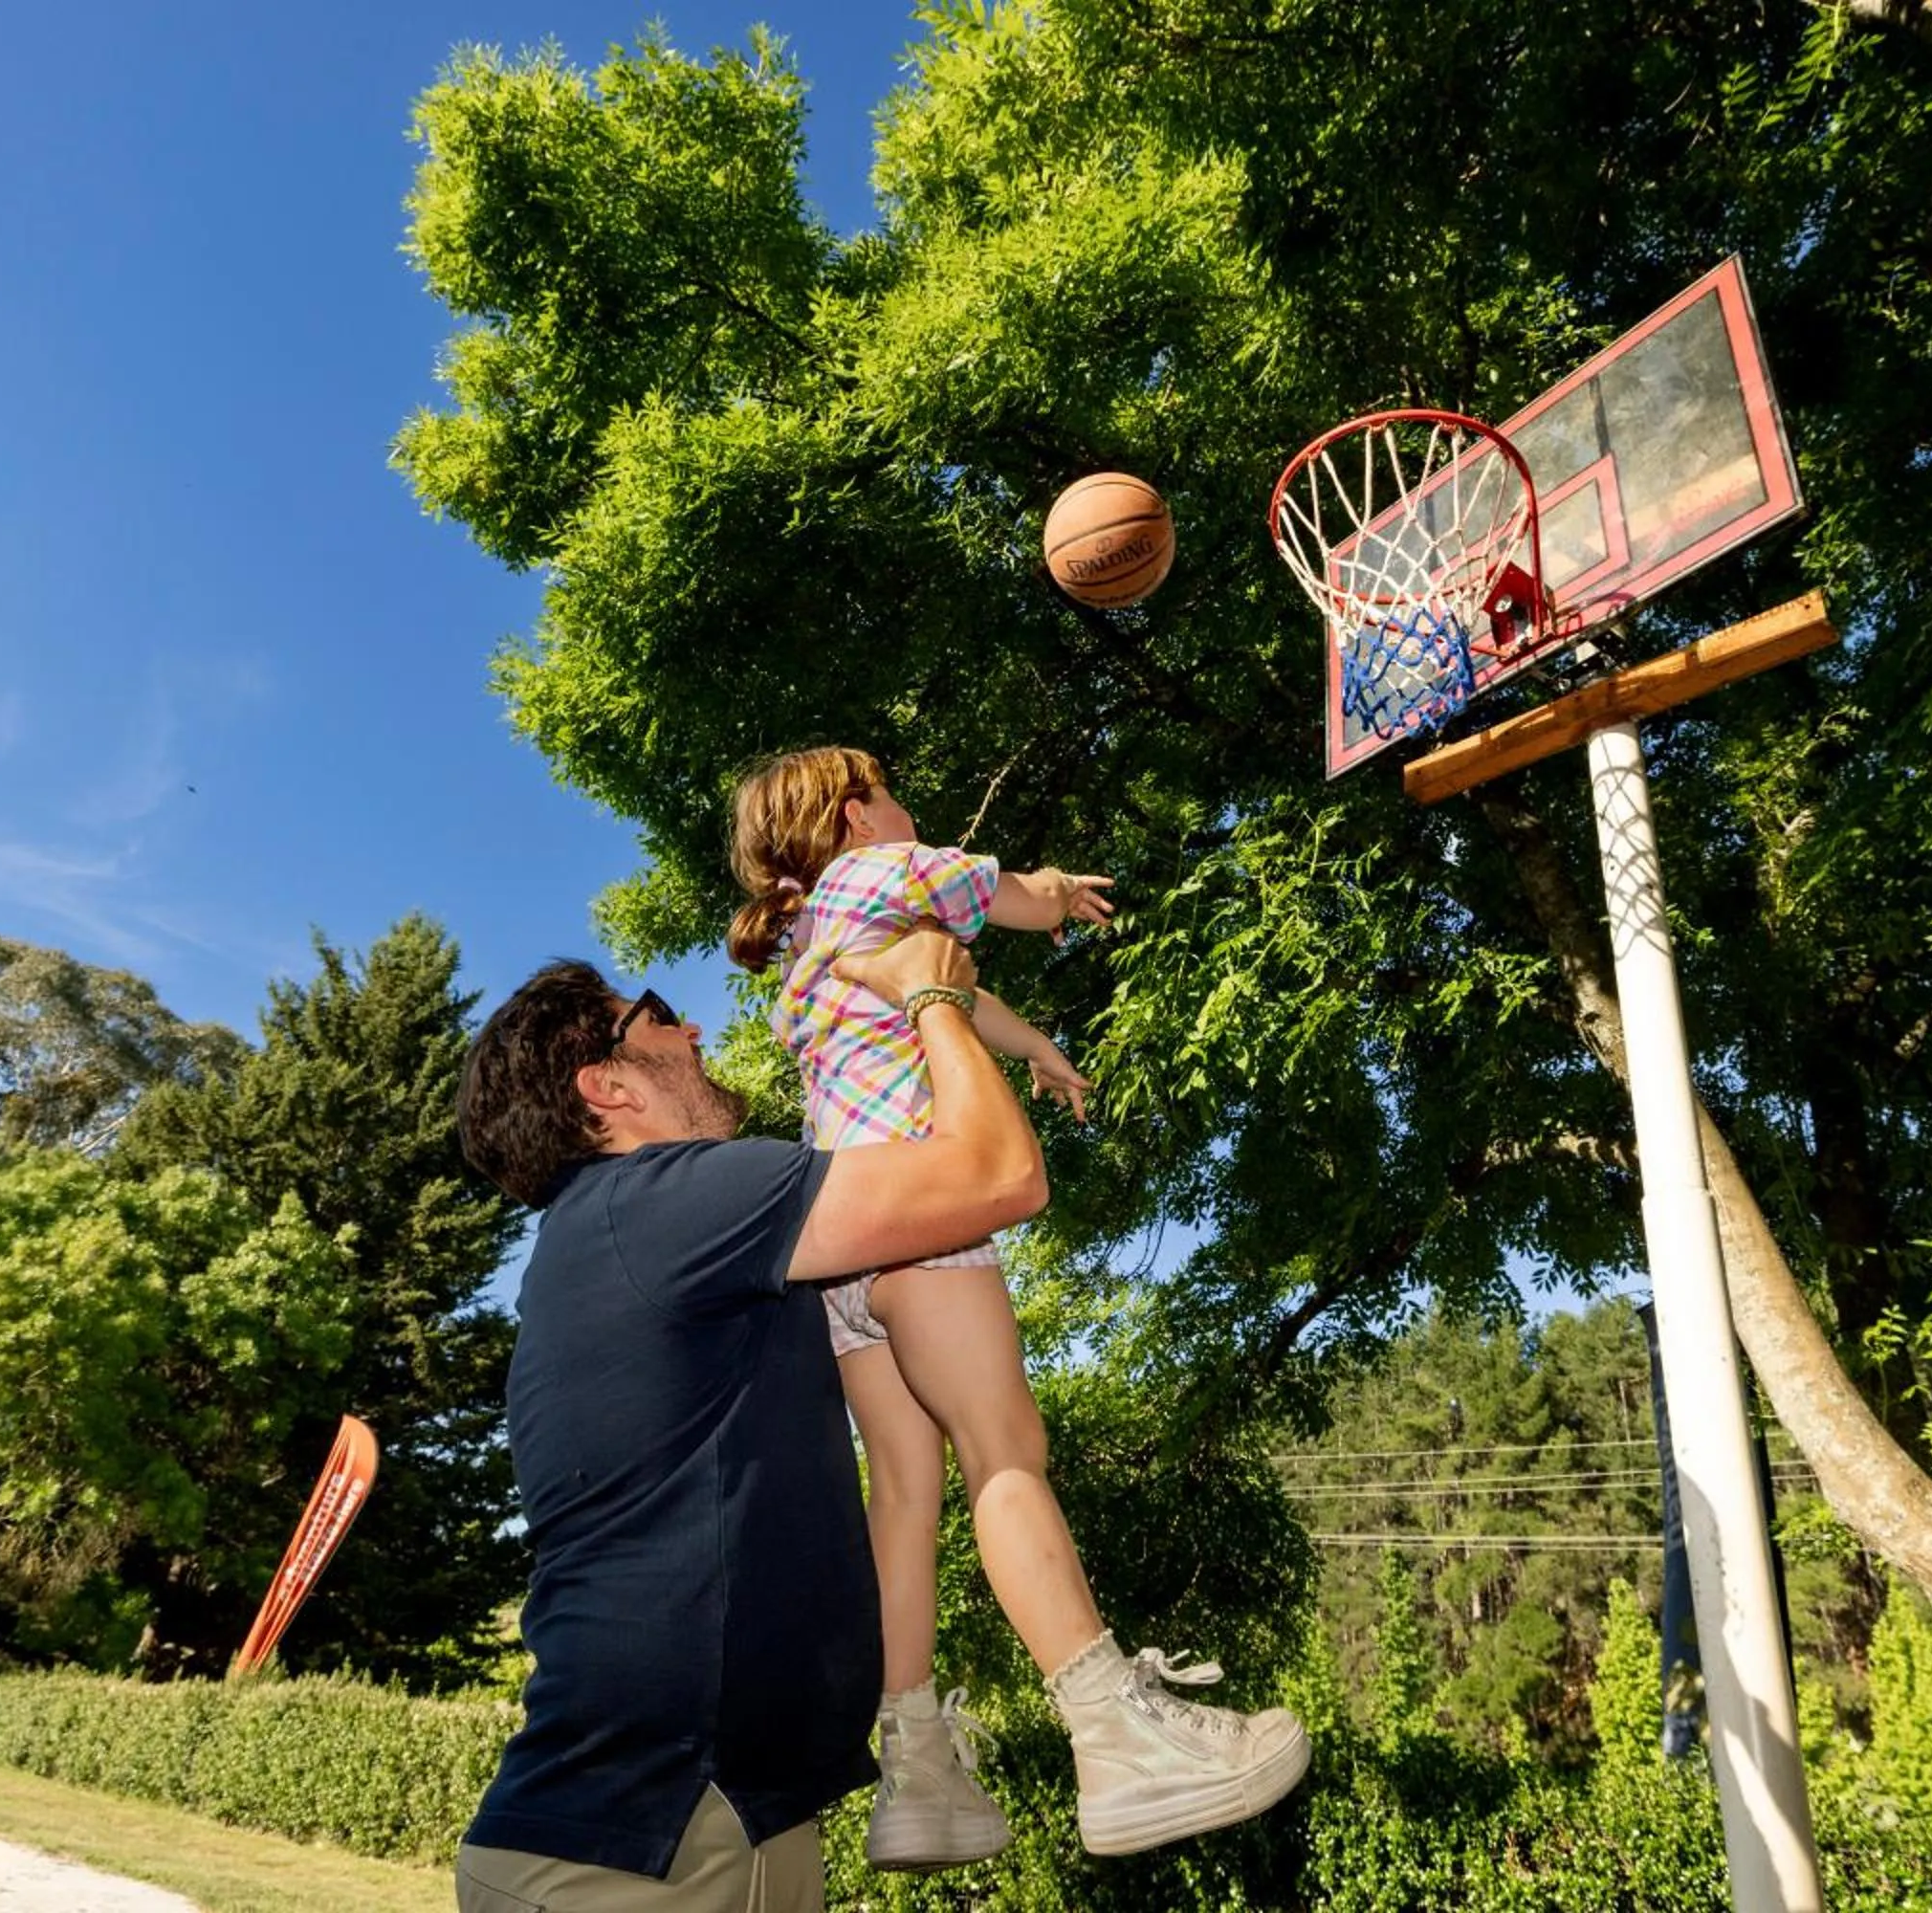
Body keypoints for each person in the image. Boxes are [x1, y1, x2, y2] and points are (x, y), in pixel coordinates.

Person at [725, 745, 1311, 1873]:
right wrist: (1055, 898)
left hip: (842, 1243)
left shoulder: (810, 940)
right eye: (890, 793)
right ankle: (1117, 1727)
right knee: (1005, 1450)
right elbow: (1003, 896)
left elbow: (956, 987)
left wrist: (1034, 1044)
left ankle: (916, 1768)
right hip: (923, 1208)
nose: (907, 808)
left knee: (904, 1487)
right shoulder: (879, 872)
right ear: (855, 815)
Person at [451, 926, 1042, 1913]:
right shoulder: (659, 1201)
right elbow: (997, 1174)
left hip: (729, 1826)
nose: (691, 1031)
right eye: (657, 1016)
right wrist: (929, 993)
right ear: (607, 1086)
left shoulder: (627, 1234)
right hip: (631, 1858)